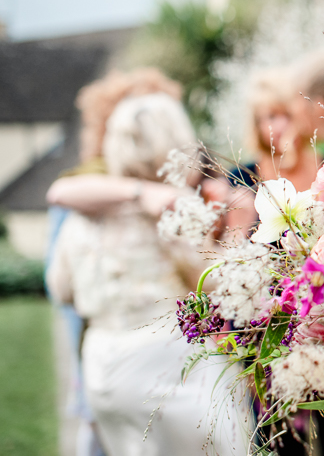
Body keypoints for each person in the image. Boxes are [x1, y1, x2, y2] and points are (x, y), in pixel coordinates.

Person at [46, 93, 251, 455]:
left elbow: (61, 288)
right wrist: (238, 229)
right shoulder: (173, 209)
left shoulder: (84, 216)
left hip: (103, 364)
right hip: (163, 361)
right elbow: (219, 284)